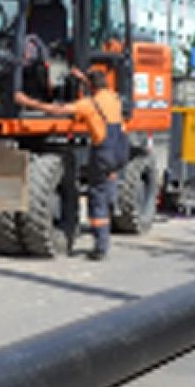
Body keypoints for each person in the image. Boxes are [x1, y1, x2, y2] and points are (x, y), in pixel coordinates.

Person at [15, 68, 127, 260]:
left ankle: (101, 247)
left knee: (96, 197)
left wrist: (28, 102)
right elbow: (98, 88)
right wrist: (83, 78)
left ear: (91, 87)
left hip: (104, 152)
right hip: (120, 149)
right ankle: (113, 201)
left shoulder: (88, 104)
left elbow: (58, 110)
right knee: (109, 179)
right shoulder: (113, 97)